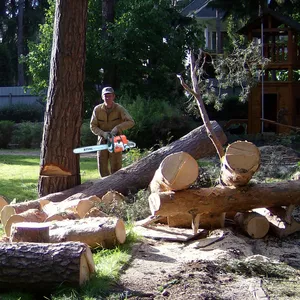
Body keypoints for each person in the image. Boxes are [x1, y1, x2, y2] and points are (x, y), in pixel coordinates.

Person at [90, 86, 135, 177]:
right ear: (102, 97)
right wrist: (103, 133)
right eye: (105, 96)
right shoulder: (97, 109)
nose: (107, 98)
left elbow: (131, 122)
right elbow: (93, 126)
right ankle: (103, 187)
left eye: (109, 96)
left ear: (113, 96)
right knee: (102, 166)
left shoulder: (119, 108)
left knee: (116, 166)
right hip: (102, 139)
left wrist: (117, 128)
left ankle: (117, 187)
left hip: (117, 138)